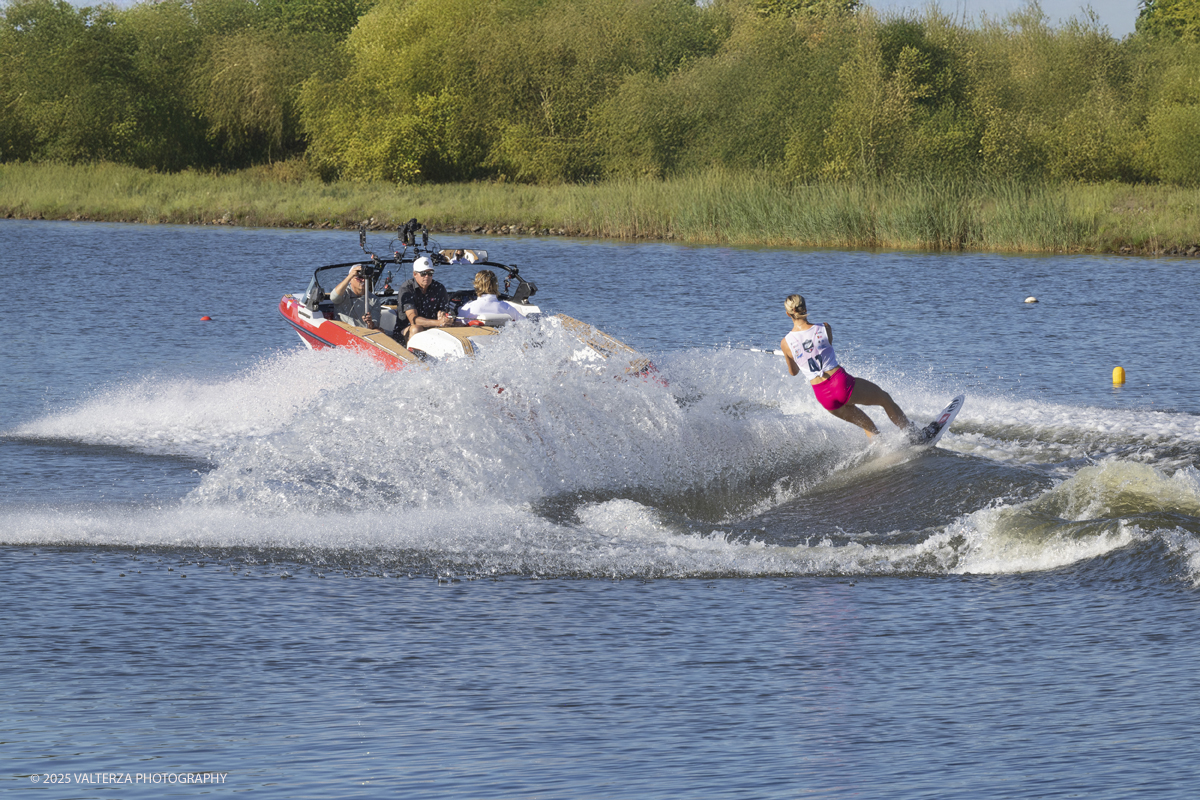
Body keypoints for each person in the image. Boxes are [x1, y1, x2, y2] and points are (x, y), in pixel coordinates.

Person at [780, 294, 910, 438]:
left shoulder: (785, 343)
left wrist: (794, 356)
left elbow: (794, 372)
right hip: (839, 383)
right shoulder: (824, 328)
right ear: (805, 307)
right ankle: (915, 435)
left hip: (823, 395)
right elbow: (826, 346)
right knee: (885, 399)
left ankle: (882, 454)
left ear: (788, 313)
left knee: (867, 425)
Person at [397, 256, 454, 341]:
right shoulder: (406, 289)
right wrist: (439, 322)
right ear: (415, 274)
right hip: (406, 330)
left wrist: (447, 317)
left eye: (430, 273)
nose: (427, 276)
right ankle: (411, 353)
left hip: (434, 328)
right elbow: (413, 320)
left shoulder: (439, 288)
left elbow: (446, 311)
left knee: (457, 325)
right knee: (416, 328)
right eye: (423, 273)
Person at [328, 264, 382, 329]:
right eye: (359, 278)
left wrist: (370, 323)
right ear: (351, 280)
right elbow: (333, 297)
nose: (364, 280)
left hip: (363, 333)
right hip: (344, 330)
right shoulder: (343, 293)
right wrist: (350, 275)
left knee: (380, 331)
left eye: (366, 277)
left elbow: (375, 324)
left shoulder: (374, 299)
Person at [457, 270, 524, 322]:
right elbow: (525, 322)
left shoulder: (469, 308)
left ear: (476, 286)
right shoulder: (506, 307)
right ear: (496, 285)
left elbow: (456, 327)